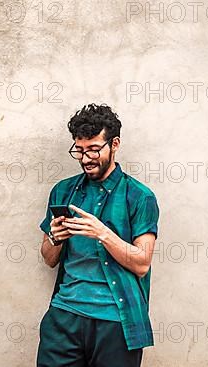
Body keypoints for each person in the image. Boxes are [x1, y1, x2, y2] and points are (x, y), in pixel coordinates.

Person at [37, 103, 160, 367]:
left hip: (116, 321)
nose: (85, 158)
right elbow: (48, 259)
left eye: (94, 149)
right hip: (64, 318)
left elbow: (142, 263)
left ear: (114, 144)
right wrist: (55, 238)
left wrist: (103, 233)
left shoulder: (140, 197)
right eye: (79, 150)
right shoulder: (63, 191)